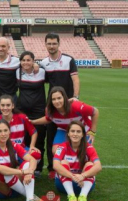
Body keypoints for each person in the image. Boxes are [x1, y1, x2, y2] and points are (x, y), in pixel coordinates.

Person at [40, 33, 80, 179]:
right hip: (53, 106)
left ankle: (76, 165)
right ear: (45, 45)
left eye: (54, 43)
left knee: (74, 135)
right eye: (49, 43)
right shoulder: (44, 63)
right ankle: (52, 168)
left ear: (58, 44)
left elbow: (75, 79)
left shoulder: (68, 60)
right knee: (51, 136)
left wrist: (75, 97)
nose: (51, 46)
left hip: (69, 106)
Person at [0, 120, 42, 201]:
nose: (3, 134)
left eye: (5, 130)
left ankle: (30, 200)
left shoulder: (14, 145)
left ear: (9, 131)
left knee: (27, 163)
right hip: (0, 188)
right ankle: (30, 196)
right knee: (5, 172)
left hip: (15, 185)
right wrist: (23, 172)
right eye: (0, 131)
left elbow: (32, 159)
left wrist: (30, 171)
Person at [31, 86, 99, 159]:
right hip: (64, 129)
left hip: (83, 129)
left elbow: (95, 112)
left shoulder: (76, 106)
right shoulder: (49, 110)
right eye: (53, 99)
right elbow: (48, 119)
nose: (57, 101)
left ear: (64, 97)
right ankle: (65, 167)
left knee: (83, 152)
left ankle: (80, 167)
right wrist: (32, 122)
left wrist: (92, 132)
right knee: (56, 151)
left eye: (59, 98)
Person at [53, 121, 102, 201]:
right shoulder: (62, 147)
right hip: (64, 185)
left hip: (83, 184)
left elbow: (98, 166)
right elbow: (55, 165)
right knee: (63, 163)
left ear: (83, 134)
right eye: (72, 131)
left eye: (78, 131)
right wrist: (72, 176)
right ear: (68, 133)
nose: (75, 134)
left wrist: (83, 176)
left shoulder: (89, 147)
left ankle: (83, 197)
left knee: (90, 164)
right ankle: (71, 197)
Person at [16, 51, 46, 176]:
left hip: (39, 111)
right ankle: (25, 165)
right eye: (23, 60)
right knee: (24, 139)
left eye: (28, 60)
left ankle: (38, 168)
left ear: (33, 61)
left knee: (39, 139)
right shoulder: (17, 72)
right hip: (22, 110)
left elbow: (54, 76)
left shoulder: (42, 72)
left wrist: (40, 66)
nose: (26, 62)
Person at [0, 95, 41, 163]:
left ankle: (24, 168)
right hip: (4, 151)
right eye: (3, 105)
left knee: (36, 155)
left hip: (21, 149)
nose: (5, 108)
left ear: (13, 106)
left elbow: (34, 132)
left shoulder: (22, 117)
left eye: (8, 105)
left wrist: (32, 146)